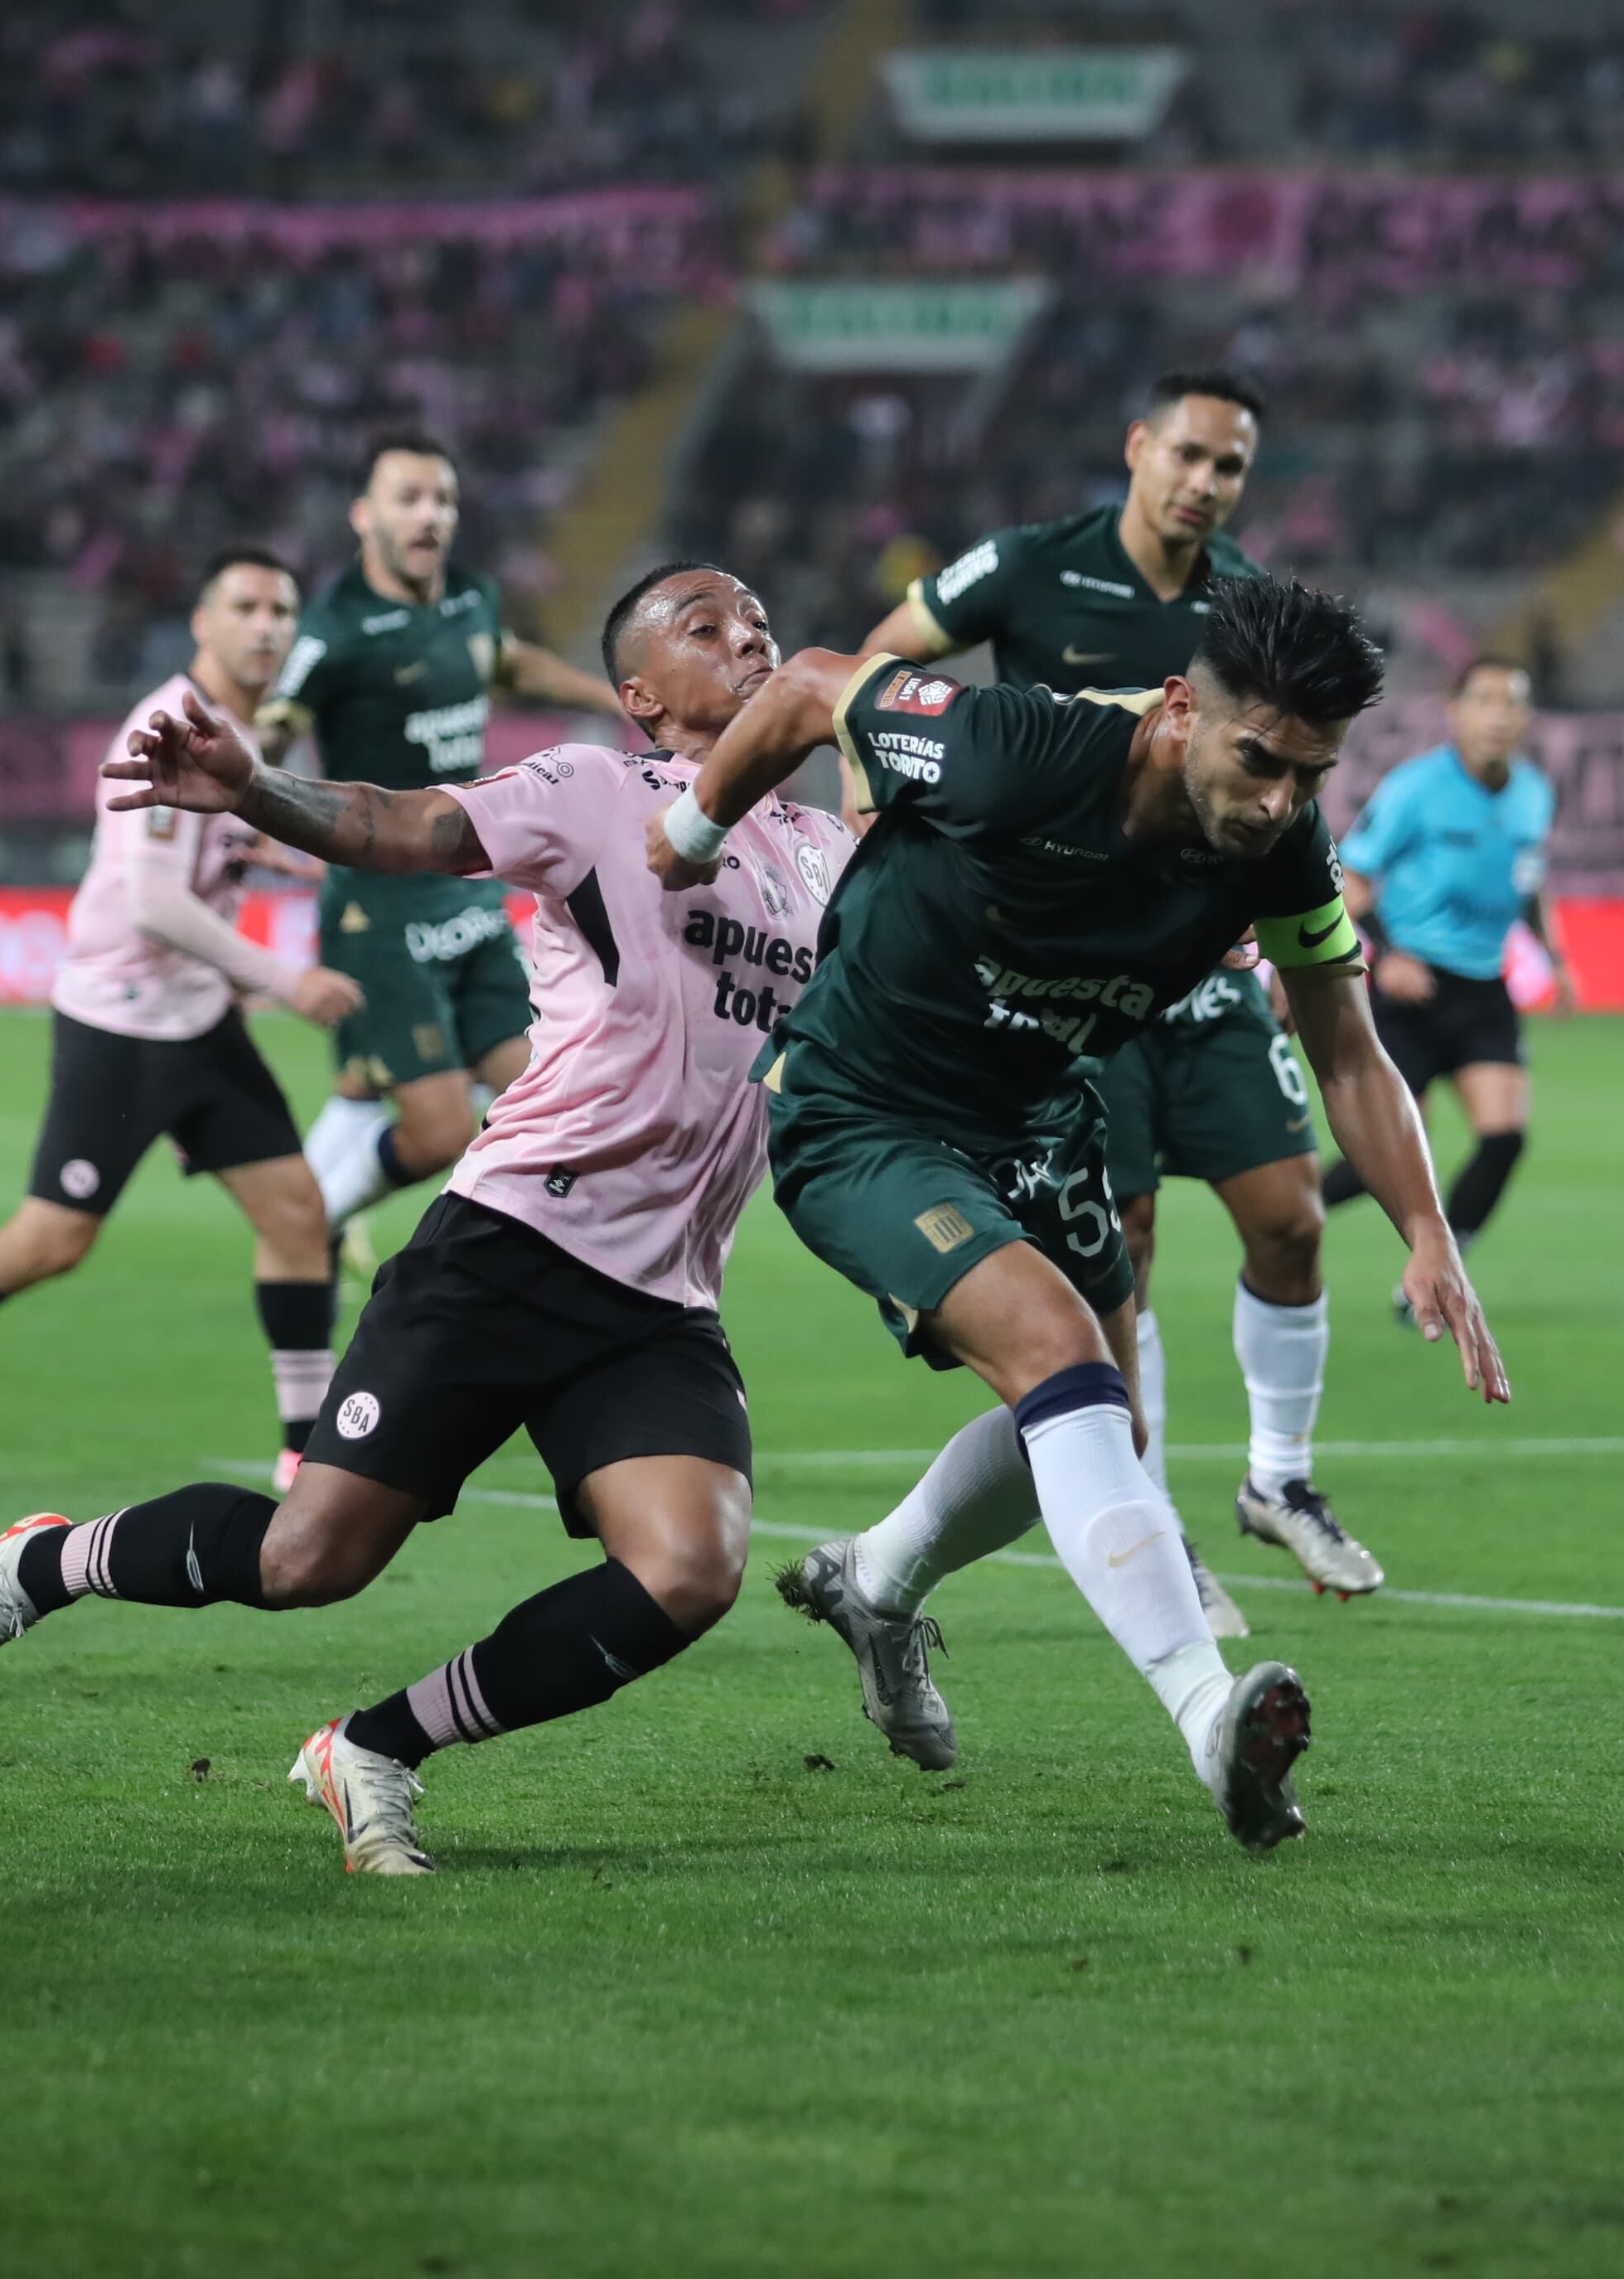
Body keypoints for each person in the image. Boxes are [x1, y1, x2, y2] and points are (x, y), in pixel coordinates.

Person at [0, 564, 855, 1879]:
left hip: (665, 1296)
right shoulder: (591, 791)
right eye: (706, 628)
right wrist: (255, 790)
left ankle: (377, 1747)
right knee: (307, 1561)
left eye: (757, 623)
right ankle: (49, 1564)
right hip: (509, 1248)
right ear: (638, 694)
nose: (750, 638)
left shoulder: (828, 856)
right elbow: (403, 826)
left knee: (690, 1566)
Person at [645, 572, 1510, 1853]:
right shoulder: (1017, 749)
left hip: (1042, 1118)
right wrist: (693, 834)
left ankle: (876, 1582)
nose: (1274, 799)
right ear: (1178, 710)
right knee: (1063, 1363)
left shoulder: (1277, 843)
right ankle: (1214, 1718)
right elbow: (815, 683)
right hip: (864, 1114)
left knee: (1095, 1414)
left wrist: (1428, 1232)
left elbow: (1345, 1044)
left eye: (1306, 774)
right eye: (1257, 758)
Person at [862, 371, 1377, 1615]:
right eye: (1191, 456)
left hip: (1196, 965)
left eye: (1232, 467)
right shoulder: (1034, 565)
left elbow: (1284, 773)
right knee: (1123, 1249)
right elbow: (885, 662)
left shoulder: (1248, 601)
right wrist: (873, 819)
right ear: (1139, 448)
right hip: (1069, 964)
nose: (1207, 484)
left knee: (1293, 1218)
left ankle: (1282, 1481)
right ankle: (1154, 1525)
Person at [0, 549, 363, 1496]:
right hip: (122, 1026)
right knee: (50, 1241)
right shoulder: (171, 726)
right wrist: (283, 977)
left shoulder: (248, 734)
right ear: (201, 622)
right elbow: (152, 901)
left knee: (297, 1214)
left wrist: (268, 855)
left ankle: (305, 1456)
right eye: (246, 606)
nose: (266, 625)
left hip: (198, 1017)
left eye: (281, 609)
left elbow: (207, 853)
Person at [262, 433, 626, 1247]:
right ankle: (310, 1229)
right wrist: (254, 794)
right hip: (377, 908)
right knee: (434, 1135)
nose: (429, 515)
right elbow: (270, 732)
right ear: (364, 516)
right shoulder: (332, 630)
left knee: (546, 1101)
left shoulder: (470, 598)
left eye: (442, 499)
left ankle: (531, 1267)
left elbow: (505, 663)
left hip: (466, 890)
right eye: (408, 498)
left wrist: (612, 697)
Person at [1317, 656, 1576, 1266]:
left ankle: (1448, 1265)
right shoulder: (1415, 787)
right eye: (1484, 700)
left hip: (1484, 988)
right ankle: (1298, 1203)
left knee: (1504, 1138)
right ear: (1456, 713)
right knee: (1398, 1150)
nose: (1499, 716)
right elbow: (1351, 874)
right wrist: (1391, 951)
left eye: (1511, 702)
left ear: (1526, 718)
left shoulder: (1534, 795)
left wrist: (1557, 959)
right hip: (1410, 987)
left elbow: (1531, 884)